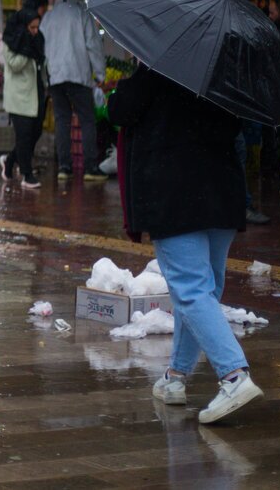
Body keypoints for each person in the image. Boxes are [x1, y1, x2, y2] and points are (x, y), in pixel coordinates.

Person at [109, 65, 263, 425]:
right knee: (203, 290)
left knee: (192, 292)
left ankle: (234, 375)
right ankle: (175, 377)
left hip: (174, 195)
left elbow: (120, 110)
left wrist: (130, 82)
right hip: (221, 193)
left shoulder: (158, 66)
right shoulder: (223, 73)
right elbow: (236, 125)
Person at [41, 0, 107, 182]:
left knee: (62, 120)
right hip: (79, 75)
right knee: (87, 120)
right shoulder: (82, 14)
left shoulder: (48, 17)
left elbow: (41, 49)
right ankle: (90, 167)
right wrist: (101, 73)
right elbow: (93, 46)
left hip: (55, 77)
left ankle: (64, 167)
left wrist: (45, 79)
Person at [0, 8, 46, 189]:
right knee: (24, 135)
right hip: (19, 96)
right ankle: (27, 174)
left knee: (35, 132)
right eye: (32, 27)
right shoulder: (11, 40)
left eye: (37, 27)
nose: (35, 31)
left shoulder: (37, 38)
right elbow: (14, 65)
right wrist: (27, 50)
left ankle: (10, 161)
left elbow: (42, 60)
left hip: (36, 92)